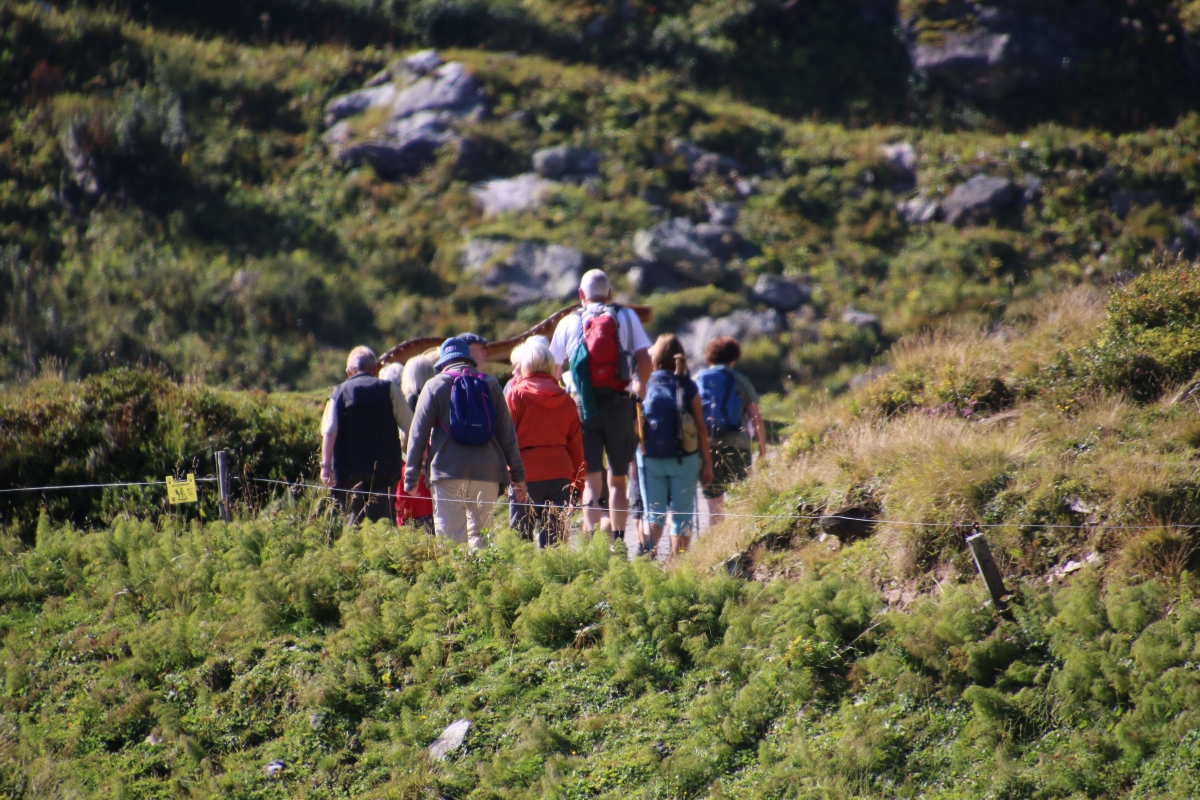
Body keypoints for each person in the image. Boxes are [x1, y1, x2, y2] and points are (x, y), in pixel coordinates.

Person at [549, 269, 652, 545]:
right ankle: (618, 542)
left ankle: (591, 544)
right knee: (618, 480)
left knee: (591, 481)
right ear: (609, 294)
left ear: (581, 294)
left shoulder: (569, 321)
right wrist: (640, 388)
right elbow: (645, 358)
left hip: (583, 406)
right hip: (619, 404)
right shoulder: (626, 316)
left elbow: (553, 369)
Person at [404, 337, 528, 550]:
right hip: (487, 473)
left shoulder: (434, 385)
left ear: (443, 363)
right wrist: (518, 477)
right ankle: (480, 572)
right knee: (482, 539)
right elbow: (508, 435)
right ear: (469, 359)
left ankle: (458, 573)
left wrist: (411, 477)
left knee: (451, 542)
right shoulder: (490, 384)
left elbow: (417, 435)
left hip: (447, 472)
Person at [636, 334, 713, 558]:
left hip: (649, 458)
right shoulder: (688, 385)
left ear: (656, 357)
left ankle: (646, 559)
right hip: (684, 458)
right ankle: (676, 565)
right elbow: (701, 426)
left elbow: (635, 422)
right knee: (682, 516)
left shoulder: (644, 383)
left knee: (654, 515)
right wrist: (707, 463)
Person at [505, 336, 585, 547]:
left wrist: (511, 477)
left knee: (520, 543)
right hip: (560, 475)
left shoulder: (515, 396)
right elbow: (576, 447)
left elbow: (506, 441)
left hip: (526, 475)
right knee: (554, 544)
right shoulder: (566, 400)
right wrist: (578, 485)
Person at [320, 346, 412, 525]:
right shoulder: (389, 389)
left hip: (347, 472)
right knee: (381, 524)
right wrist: (414, 459)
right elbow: (410, 426)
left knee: (351, 524)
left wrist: (325, 466)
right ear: (376, 369)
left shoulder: (339, 392)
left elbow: (329, 431)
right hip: (385, 470)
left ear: (348, 372)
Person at [696, 335, 769, 518]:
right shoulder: (740, 380)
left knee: (715, 509)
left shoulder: (697, 380)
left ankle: (718, 536)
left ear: (710, 356)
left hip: (706, 450)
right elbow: (756, 418)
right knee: (743, 503)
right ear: (734, 357)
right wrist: (762, 451)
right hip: (738, 448)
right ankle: (739, 535)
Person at [388, 356, 436, 532]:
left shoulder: (408, 400)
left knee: (412, 521)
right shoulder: (433, 398)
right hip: (429, 462)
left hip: (411, 463)